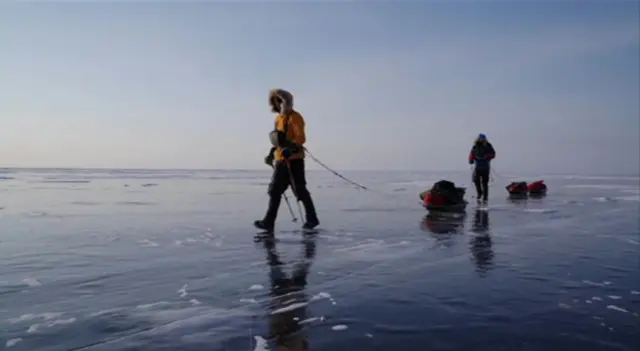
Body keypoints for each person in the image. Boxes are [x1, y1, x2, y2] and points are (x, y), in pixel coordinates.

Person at [254, 89, 320, 233]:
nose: (279, 105)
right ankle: (268, 222)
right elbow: (277, 140)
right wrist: (272, 153)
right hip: (280, 160)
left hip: (294, 160)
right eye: (276, 102)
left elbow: (300, 138)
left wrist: (291, 149)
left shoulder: (295, 117)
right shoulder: (278, 119)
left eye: (281, 101)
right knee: (274, 191)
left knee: (299, 190)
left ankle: (312, 219)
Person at [468, 133, 496, 202]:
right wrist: (471, 160)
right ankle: (479, 193)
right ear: (478, 138)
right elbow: (472, 154)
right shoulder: (475, 146)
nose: (482, 139)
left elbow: (493, 154)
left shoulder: (488, 145)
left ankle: (485, 197)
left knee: (485, 182)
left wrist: (487, 157)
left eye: (483, 138)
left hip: (485, 167)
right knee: (476, 180)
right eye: (481, 138)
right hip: (477, 166)